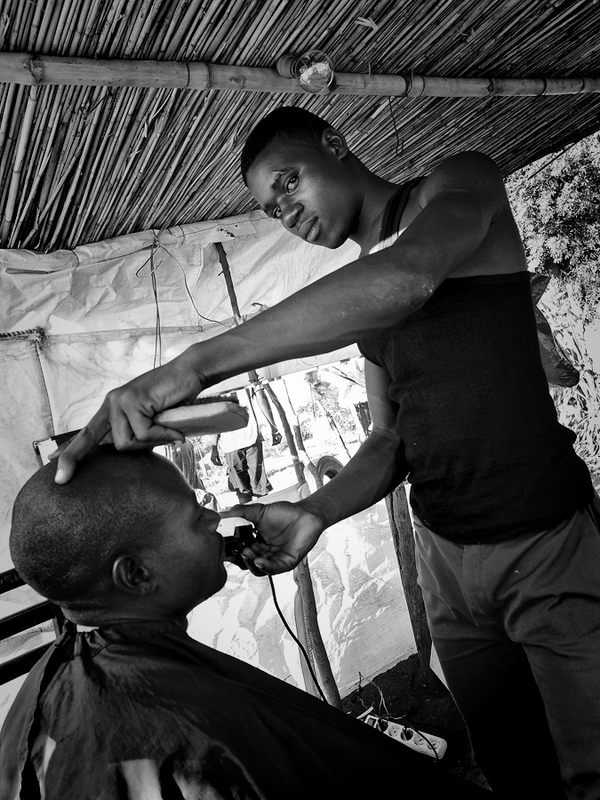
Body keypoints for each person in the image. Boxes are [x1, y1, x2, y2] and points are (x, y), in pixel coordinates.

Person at [50, 106, 600, 798]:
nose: (287, 212)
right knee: (510, 760)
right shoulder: (364, 297)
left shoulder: (456, 185)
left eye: (289, 182)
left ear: (335, 146)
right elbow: (390, 440)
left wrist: (193, 366)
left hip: (546, 540)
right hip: (445, 561)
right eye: (270, 209)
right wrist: (316, 511)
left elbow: (409, 277)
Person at [0, 446, 489, 800]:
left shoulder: (50, 685)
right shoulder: (189, 729)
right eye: (196, 517)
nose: (216, 519)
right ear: (136, 575)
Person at [209, 389, 275, 504]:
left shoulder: (213, 386)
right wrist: (273, 428)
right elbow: (261, 398)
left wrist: (214, 447)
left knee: (242, 488)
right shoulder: (246, 378)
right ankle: (265, 512)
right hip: (250, 436)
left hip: (231, 442)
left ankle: (249, 513)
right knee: (259, 485)